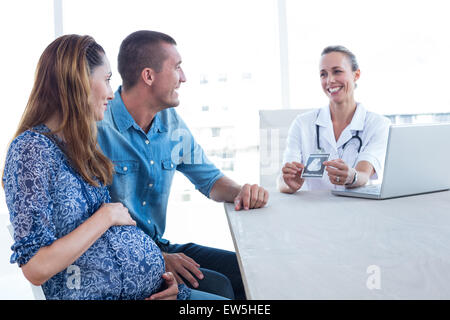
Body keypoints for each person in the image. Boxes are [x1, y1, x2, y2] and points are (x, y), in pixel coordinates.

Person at [2, 34, 191, 300]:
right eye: (107, 79)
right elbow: (36, 266)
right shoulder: (30, 150)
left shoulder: (78, 147)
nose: (112, 93)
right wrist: (106, 216)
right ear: (79, 82)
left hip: (154, 293)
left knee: (227, 289)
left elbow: (109, 242)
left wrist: (160, 280)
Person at [96, 30, 269, 300]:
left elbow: (210, 180)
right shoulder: (99, 129)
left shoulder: (170, 122)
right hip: (124, 259)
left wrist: (241, 191)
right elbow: (90, 227)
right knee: (223, 288)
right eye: (177, 67)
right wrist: (157, 258)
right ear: (148, 76)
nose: (184, 77)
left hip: (161, 245)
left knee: (248, 271)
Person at [279, 45, 390, 193]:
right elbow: (282, 180)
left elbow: (364, 173)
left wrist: (352, 176)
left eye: (337, 71)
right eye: (323, 74)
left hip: (358, 212)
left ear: (356, 75)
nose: (330, 80)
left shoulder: (378, 125)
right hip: (312, 211)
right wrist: (289, 184)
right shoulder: (302, 124)